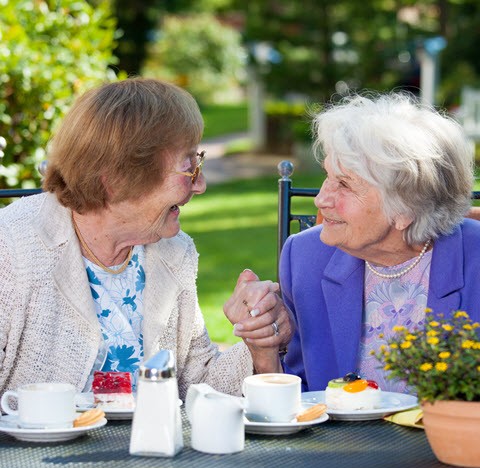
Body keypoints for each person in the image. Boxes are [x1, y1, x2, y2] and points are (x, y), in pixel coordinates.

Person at [0, 78, 291, 400]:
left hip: (151, 448)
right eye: (189, 167)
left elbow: (196, 386)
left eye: (199, 162)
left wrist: (259, 344)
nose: (201, 185)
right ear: (118, 181)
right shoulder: (12, 249)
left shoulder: (172, 252)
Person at [279, 91, 480, 393]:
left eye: (345, 184)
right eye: (327, 176)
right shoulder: (304, 258)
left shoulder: (473, 261)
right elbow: (300, 391)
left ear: (407, 208)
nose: (321, 199)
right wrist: (263, 348)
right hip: (345, 442)